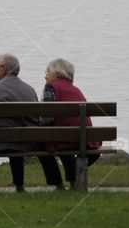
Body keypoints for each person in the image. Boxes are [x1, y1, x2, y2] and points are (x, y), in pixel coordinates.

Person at [0, 54, 39, 193]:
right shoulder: (29, 90)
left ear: (3, 69)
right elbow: (35, 119)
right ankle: (19, 186)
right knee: (16, 136)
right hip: (24, 144)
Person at [37, 58, 100, 190]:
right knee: (65, 141)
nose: (45, 76)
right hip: (86, 140)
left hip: (65, 139)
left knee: (40, 144)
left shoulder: (51, 87)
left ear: (55, 73)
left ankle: (59, 186)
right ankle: (73, 184)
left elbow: (46, 120)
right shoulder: (76, 90)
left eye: (47, 72)